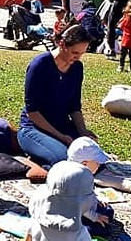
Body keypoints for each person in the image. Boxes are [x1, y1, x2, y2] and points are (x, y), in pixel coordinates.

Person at [18, 25, 98, 166]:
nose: (78, 57)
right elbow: (32, 111)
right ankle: (35, 164)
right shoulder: (40, 65)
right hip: (34, 128)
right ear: (62, 45)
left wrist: (82, 131)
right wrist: (61, 137)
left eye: (81, 54)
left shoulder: (77, 67)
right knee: (64, 159)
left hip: (62, 125)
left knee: (91, 155)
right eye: (75, 52)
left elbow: (74, 105)